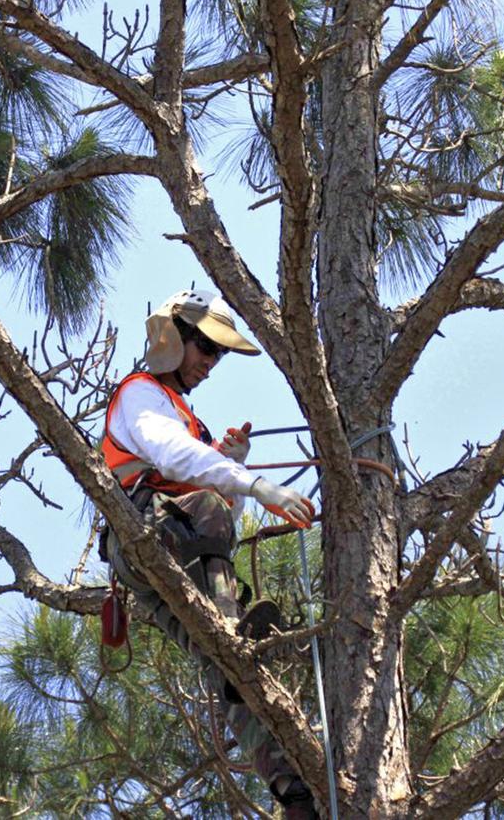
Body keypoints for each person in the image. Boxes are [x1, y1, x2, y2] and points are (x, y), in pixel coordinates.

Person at [101, 289, 318, 819]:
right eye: (206, 348)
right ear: (173, 338)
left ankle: (294, 792)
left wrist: (231, 470)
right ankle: (230, 629)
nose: (210, 364)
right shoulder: (142, 393)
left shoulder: (187, 421)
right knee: (207, 506)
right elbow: (172, 457)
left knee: (231, 678)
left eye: (218, 354)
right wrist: (255, 484)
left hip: (170, 553)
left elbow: (216, 526)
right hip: (141, 537)